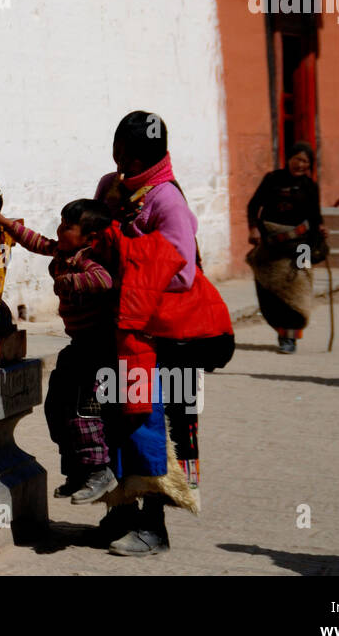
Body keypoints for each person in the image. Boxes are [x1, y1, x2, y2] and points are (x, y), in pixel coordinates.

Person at [92, 111, 234, 556]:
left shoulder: (166, 201)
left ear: (149, 157)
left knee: (152, 428)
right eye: (117, 156)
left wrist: (124, 259)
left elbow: (182, 273)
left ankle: (154, 529)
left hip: (162, 343)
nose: (120, 167)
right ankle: (118, 514)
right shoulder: (110, 188)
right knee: (111, 420)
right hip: (119, 332)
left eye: (130, 160)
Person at [0, 199, 120, 505]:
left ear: (90, 238)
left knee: (84, 409)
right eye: (61, 222)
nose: (60, 229)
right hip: (78, 345)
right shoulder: (62, 251)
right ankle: (76, 472)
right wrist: (5, 223)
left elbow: (103, 280)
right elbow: (36, 242)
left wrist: (71, 281)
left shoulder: (86, 260)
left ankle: (99, 470)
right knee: (57, 406)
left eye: (68, 226)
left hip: (98, 347)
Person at [246, 143, 327, 353]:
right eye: (297, 159)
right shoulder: (272, 180)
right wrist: (254, 228)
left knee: (300, 287)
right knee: (271, 288)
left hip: (303, 246)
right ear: (288, 158)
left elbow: (315, 216)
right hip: (272, 243)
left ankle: (290, 337)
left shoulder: (310, 186)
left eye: (306, 162)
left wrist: (321, 230)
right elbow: (253, 206)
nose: (301, 165)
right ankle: (280, 329)